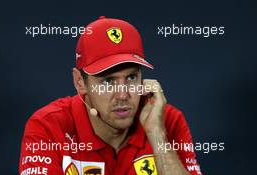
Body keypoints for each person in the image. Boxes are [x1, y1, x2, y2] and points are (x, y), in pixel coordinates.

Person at [19, 16, 202, 175]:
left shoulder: (168, 120)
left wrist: (157, 134)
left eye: (131, 77)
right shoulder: (48, 126)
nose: (123, 95)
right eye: (107, 81)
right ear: (80, 82)